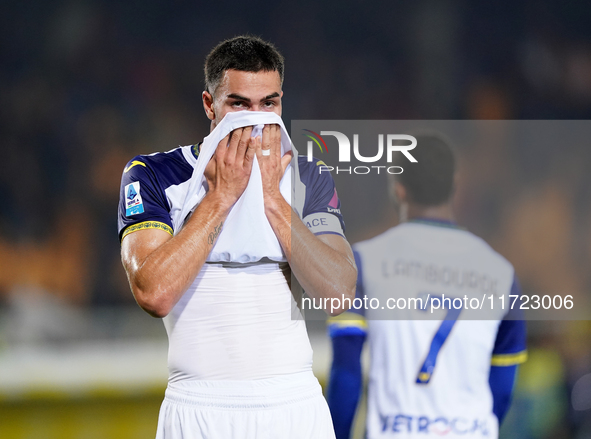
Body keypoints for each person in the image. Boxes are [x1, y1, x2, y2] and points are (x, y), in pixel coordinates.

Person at [118, 36, 357, 439]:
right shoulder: (153, 174)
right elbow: (153, 293)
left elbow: (338, 295)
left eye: (269, 103)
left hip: (294, 407)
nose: (257, 118)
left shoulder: (308, 177)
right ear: (211, 105)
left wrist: (272, 200)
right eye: (239, 104)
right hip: (198, 410)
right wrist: (222, 197)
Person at [327, 134, 527, 439]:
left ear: (399, 188)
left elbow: (346, 375)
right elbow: (502, 388)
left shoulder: (364, 262)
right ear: (455, 186)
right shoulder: (502, 274)